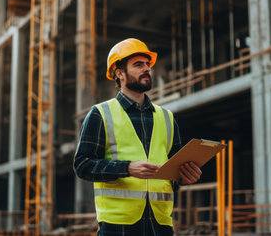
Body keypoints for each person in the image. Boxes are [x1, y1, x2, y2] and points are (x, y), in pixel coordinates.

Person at [73, 38, 202, 236]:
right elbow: (82, 165)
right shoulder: (100, 113)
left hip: (161, 224)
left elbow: (173, 172)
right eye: (138, 64)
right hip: (118, 225)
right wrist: (127, 168)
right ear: (120, 73)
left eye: (147, 64)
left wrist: (185, 176)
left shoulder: (166, 117)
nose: (146, 69)